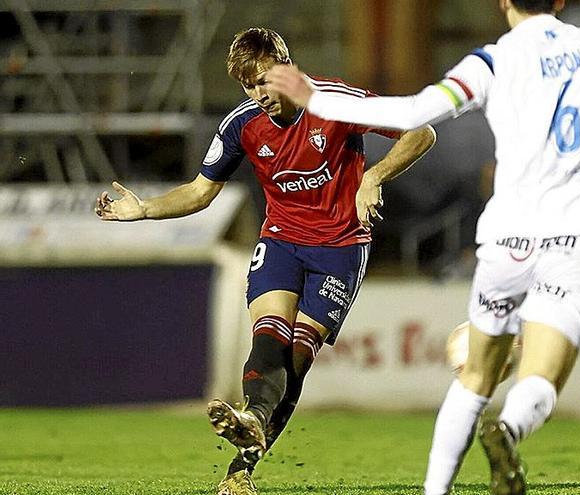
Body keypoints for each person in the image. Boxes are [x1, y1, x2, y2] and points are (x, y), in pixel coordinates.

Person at [266, 1, 580, 494]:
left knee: (473, 376)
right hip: (576, 240)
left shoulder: (492, 60)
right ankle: (509, 429)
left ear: (504, 3)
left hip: (507, 241)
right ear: (558, 2)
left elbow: (412, 111)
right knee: (540, 376)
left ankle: (434, 491)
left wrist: (315, 97)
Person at [95, 27, 436, 495]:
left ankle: (241, 466)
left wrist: (373, 175)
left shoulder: (335, 101)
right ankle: (251, 421)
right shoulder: (241, 124)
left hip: (340, 247)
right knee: (270, 338)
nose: (261, 95)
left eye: (266, 81)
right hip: (280, 242)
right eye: (249, 87)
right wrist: (144, 208)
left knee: (296, 360)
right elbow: (199, 191)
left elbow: (422, 130)